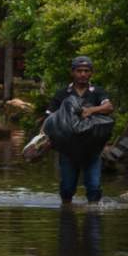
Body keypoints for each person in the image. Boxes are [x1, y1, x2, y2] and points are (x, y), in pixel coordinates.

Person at [45, 56, 114, 204]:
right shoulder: (62, 94)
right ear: (72, 72)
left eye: (86, 71)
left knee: (94, 188)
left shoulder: (97, 92)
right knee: (67, 188)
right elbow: (49, 119)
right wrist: (41, 139)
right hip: (68, 149)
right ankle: (67, 213)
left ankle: (94, 217)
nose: (82, 74)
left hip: (92, 149)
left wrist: (91, 110)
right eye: (79, 71)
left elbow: (108, 107)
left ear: (91, 73)